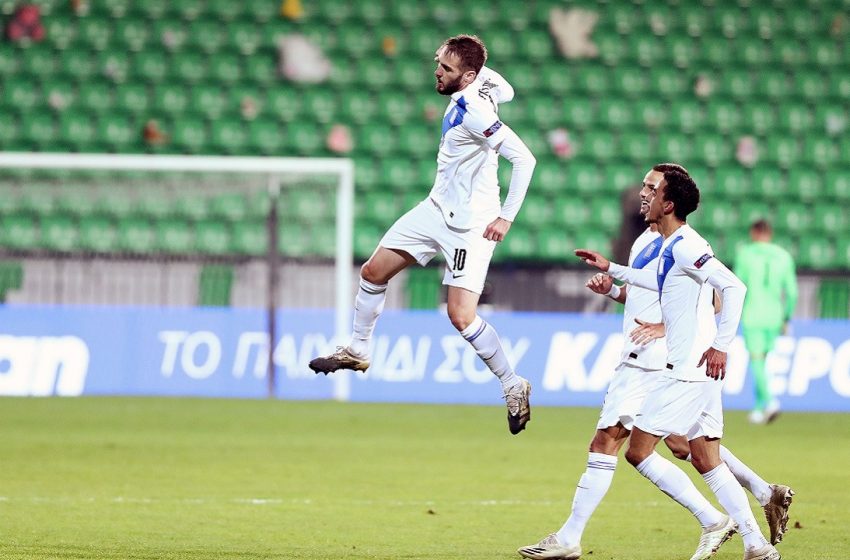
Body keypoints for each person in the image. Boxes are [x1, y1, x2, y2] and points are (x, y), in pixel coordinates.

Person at [518, 165, 793, 560]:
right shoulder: (661, 244)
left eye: (652, 188)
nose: (642, 194)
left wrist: (720, 344)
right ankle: (756, 538)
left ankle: (715, 523)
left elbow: (728, 290)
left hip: (680, 367)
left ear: (669, 201)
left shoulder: (684, 244)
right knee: (702, 454)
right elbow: (657, 285)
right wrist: (610, 272)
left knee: (635, 450)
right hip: (686, 367)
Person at [309, 35, 537, 434]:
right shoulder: (482, 83)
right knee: (372, 272)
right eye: (438, 62)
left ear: (467, 77)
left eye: (446, 69)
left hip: (470, 226)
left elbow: (525, 159)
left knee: (461, 317)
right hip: (435, 209)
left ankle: (512, 384)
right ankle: (359, 350)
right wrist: (484, 79)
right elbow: (508, 89)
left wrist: (506, 217)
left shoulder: (475, 111)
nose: (437, 71)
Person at [734, 220, 798, 424]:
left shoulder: (746, 254)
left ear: (754, 233)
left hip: (753, 314)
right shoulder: (783, 255)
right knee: (762, 362)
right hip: (775, 316)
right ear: (769, 234)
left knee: (756, 361)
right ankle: (758, 409)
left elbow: (736, 285)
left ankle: (770, 402)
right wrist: (786, 316)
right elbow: (793, 293)